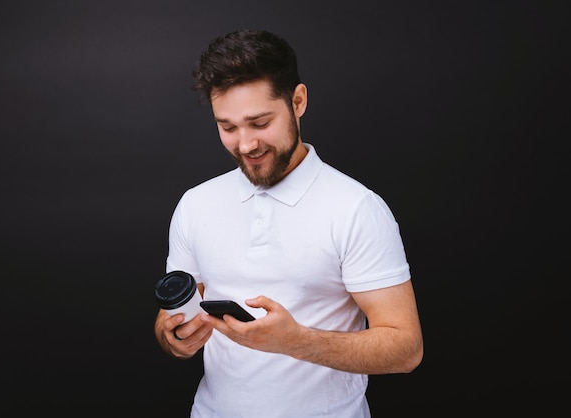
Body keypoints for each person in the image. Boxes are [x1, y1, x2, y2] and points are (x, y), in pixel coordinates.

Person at [154, 29, 423, 417]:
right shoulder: (196, 204)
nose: (245, 144)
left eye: (260, 123)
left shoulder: (357, 208)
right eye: (227, 127)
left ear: (297, 101)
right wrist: (172, 336)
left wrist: (297, 341)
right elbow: (172, 313)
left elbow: (406, 348)